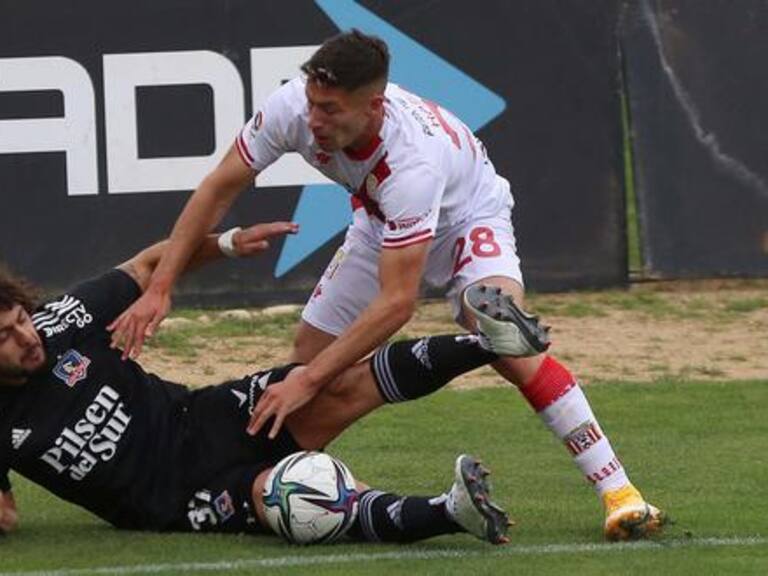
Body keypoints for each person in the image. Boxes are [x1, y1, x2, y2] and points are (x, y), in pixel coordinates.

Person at [108, 30, 666, 540]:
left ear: (373, 106)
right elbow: (217, 189)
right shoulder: (292, 107)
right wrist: (161, 287)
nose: (314, 119)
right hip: (380, 221)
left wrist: (308, 382)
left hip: (467, 215)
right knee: (307, 359)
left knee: (501, 338)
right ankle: (270, 490)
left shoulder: (411, 164)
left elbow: (397, 304)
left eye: (330, 109)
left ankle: (619, 493)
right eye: (312, 103)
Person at [0, 222, 550, 544]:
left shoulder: (63, 320)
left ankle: (491, 342)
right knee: (299, 501)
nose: (26, 336)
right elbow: (6, 515)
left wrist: (227, 243)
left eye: (21, 318)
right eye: (5, 336)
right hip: (173, 500)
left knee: (330, 382)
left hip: (200, 420)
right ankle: (452, 511)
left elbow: (146, 267)